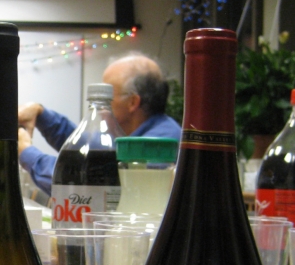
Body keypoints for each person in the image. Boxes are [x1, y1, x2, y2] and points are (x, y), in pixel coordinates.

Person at [17, 53, 181, 195]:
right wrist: (40, 113)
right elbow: (83, 147)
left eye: (107, 95)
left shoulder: (159, 146)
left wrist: (27, 152)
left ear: (132, 102)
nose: (100, 105)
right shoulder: (126, 134)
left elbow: (84, 183)